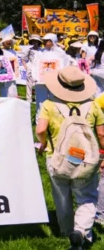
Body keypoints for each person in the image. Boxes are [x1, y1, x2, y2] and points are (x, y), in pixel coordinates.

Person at [36, 66, 104, 249]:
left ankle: (66, 231)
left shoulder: (49, 105)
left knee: (61, 196)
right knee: (87, 196)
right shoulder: (94, 105)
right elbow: (102, 134)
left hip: (57, 157)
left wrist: (42, 143)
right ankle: (81, 231)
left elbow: (40, 129)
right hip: (85, 158)